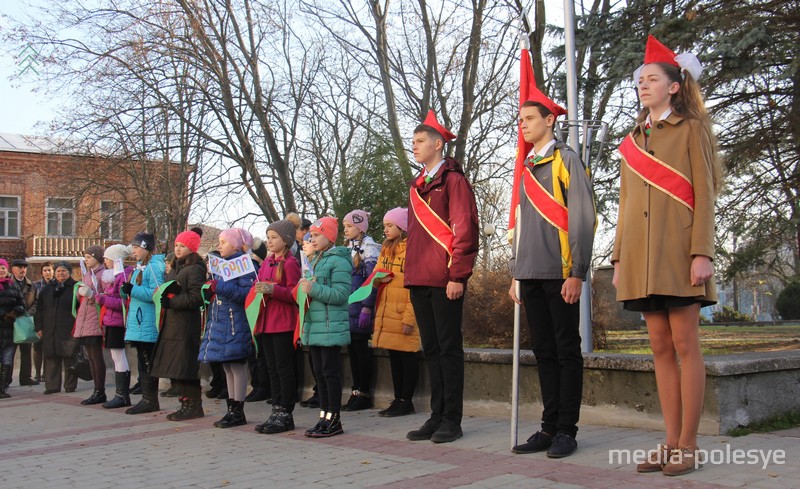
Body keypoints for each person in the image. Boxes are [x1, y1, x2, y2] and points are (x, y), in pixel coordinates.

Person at [613, 35, 721, 477]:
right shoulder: (633, 140)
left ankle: (689, 445)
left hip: (680, 254)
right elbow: (623, 205)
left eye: (652, 79)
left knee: (684, 344)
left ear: (674, 86)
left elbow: (706, 193)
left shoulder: (691, 130)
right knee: (658, 346)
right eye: (640, 80)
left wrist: (702, 252)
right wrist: (619, 259)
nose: (643, 85)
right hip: (641, 258)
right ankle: (670, 440)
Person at [507, 90, 596, 457]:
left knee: (565, 351)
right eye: (521, 120)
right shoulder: (527, 167)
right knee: (543, 352)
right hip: (529, 274)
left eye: (529, 119)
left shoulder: (567, 160)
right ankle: (547, 426)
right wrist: (516, 272)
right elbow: (522, 226)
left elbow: (583, 218)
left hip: (561, 273)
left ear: (549, 121)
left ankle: (566, 430)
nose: (523, 125)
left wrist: (577, 271)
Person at [404, 110, 479, 444]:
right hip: (419, 277)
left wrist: (458, 275)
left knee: (449, 350)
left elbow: (464, 228)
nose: (414, 146)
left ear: (437, 144)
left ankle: (452, 419)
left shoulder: (453, 180)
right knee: (431, 350)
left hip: (445, 278)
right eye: (413, 141)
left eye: (420, 141)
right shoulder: (418, 185)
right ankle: (436, 416)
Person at [298, 217, 352, 438]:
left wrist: (313, 288)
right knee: (319, 374)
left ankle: (334, 419)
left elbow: (341, 294)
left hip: (330, 327)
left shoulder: (339, 261)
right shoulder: (315, 260)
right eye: (311, 235)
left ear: (329, 236)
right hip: (314, 326)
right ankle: (324, 416)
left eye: (317, 235)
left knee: (330, 374)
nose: (313, 239)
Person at [199, 228, 257, 428]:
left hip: (236, 322)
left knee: (237, 365)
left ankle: (238, 410)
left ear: (234, 245)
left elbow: (246, 295)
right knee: (227, 366)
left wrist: (220, 287)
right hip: (221, 320)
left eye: (223, 242)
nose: (219, 246)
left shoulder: (244, 266)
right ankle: (230, 408)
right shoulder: (223, 265)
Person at [152, 228, 207, 421]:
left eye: (182, 246)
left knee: (185, 367)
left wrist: (173, 302)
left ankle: (193, 404)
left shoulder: (195, 269)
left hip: (185, 325)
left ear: (191, 248)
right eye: (176, 245)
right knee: (175, 367)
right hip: (171, 323)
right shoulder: (176, 268)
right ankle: (184, 403)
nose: (177, 249)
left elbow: (196, 297)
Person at [252, 220, 301, 434]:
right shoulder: (267, 262)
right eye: (268, 237)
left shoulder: (290, 263)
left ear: (286, 240)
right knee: (271, 368)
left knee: (283, 368)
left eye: (273, 238)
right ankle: (276, 408)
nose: (269, 241)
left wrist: (273, 290)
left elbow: (294, 293)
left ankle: (286, 412)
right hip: (266, 320)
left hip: (282, 322)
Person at [372, 208, 420, 417]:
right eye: (384, 226)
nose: (386, 230)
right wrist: (378, 279)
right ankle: (398, 398)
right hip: (387, 311)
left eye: (390, 225)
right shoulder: (385, 250)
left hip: (403, 313)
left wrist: (410, 317)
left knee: (407, 358)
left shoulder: (412, 250)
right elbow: (374, 279)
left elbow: (415, 287)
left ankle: (406, 400)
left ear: (402, 227)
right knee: (394, 357)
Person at [122, 232, 166, 414]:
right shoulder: (141, 266)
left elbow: (155, 294)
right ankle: (146, 398)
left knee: (147, 362)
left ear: (145, 247)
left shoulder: (154, 267)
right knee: (142, 361)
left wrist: (133, 290)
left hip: (147, 322)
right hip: (139, 322)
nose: (133, 250)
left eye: (135, 246)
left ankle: (150, 400)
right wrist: (125, 290)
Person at [342, 209, 380, 411]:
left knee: (360, 350)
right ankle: (355, 390)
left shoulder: (370, 249)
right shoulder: (348, 248)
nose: (346, 230)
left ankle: (364, 392)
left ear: (360, 227)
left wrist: (367, 306)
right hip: (348, 308)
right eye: (344, 227)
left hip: (361, 308)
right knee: (352, 351)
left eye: (349, 226)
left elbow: (372, 280)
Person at [97, 244, 134, 409]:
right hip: (111, 320)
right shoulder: (115, 275)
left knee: (119, 356)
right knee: (115, 356)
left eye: (107, 258)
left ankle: (122, 394)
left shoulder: (123, 276)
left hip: (117, 321)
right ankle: (121, 393)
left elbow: (123, 302)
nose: (104, 261)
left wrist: (103, 299)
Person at [35, 261, 79, 395]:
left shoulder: (75, 287)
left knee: (70, 356)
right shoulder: (48, 289)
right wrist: (39, 327)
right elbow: (39, 309)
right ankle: (52, 386)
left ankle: (70, 385)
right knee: (51, 356)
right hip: (50, 328)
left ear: (69, 272)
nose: (61, 273)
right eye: (58, 271)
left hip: (69, 328)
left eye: (63, 271)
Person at [73, 246, 109, 405]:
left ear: (97, 257)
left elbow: (106, 297)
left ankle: (100, 390)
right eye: (85, 257)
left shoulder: (103, 274)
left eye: (89, 257)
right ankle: (96, 389)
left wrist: (92, 295)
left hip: (95, 319)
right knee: (90, 357)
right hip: (85, 318)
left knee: (96, 356)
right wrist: (78, 292)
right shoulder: (88, 274)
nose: (86, 260)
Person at [10, 258, 39, 386]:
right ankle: (6, 379)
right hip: (10, 322)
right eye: (19, 267)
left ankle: (25, 377)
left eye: (24, 267)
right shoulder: (7, 283)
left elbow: (37, 302)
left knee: (26, 351)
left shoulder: (31, 285)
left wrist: (28, 313)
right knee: (9, 352)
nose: (22, 270)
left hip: (26, 322)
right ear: (13, 269)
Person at [0, 258, 25, 398]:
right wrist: (3, 314)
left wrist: (15, 311)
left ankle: (2, 389)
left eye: (3, 268)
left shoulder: (13, 285)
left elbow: (21, 303)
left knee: (7, 360)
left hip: (10, 330)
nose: (1, 271)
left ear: (7, 270)